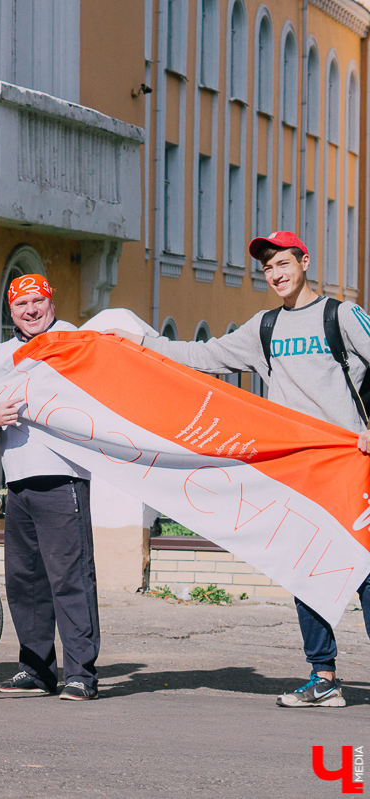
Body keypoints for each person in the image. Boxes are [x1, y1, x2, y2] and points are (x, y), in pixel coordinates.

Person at [107, 231, 370, 708]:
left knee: (365, 571)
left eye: (283, 263)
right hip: (294, 468)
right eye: (268, 268)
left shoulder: (341, 315)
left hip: (348, 463)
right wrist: (140, 343)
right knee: (306, 572)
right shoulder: (264, 326)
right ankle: (323, 677)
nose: (276, 274)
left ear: (304, 262)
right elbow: (204, 356)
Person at [0, 273, 100, 700]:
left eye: (37, 301)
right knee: (26, 581)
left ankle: (81, 674)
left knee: (70, 578)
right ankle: (37, 670)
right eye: (21, 304)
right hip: (18, 478)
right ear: (11, 312)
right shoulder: (1, 353)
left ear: (51, 303)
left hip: (63, 474)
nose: (30, 310)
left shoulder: (73, 340)